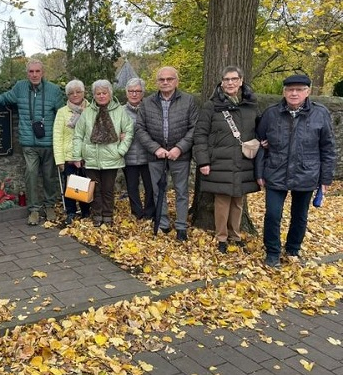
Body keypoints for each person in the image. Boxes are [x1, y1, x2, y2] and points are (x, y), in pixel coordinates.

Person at [255, 74, 336, 268]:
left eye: (299, 89)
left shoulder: (320, 114)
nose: (294, 93)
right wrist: (259, 172)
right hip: (276, 171)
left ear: (307, 92)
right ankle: (272, 252)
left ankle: (293, 249)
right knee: (273, 214)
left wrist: (325, 180)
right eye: (290, 89)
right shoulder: (271, 113)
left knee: (300, 215)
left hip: (306, 173)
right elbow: (258, 143)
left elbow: (328, 148)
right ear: (284, 92)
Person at [0, 59, 65, 225]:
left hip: (49, 143)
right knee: (31, 174)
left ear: (43, 72)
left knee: (49, 176)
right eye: (31, 71)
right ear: (27, 73)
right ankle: (33, 210)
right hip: (29, 143)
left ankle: (49, 206)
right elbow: (4, 98)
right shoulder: (20, 87)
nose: (34, 74)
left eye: (37, 71)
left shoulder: (54, 91)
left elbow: (62, 116)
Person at [193, 66, 260, 253]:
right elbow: (200, 135)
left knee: (238, 201)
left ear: (241, 80)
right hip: (219, 161)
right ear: (221, 82)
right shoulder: (211, 106)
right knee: (222, 201)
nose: (230, 83)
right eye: (226, 79)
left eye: (234, 79)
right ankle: (221, 237)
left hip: (243, 161)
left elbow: (259, 128)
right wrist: (203, 161)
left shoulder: (250, 105)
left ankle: (235, 234)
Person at [137, 66, 198, 241]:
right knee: (158, 191)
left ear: (176, 81)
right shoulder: (147, 102)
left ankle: (180, 226)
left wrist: (179, 148)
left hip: (180, 155)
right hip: (156, 155)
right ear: (157, 82)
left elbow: (194, 127)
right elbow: (140, 128)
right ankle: (162, 223)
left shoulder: (188, 101)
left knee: (181, 191)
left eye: (169, 79)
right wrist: (155, 148)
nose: (165, 82)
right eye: (161, 79)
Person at [73, 79, 133, 227]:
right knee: (95, 189)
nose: (101, 96)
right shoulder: (87, 113)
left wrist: (120, 151)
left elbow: (129, 131)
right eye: (98, 93)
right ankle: (97, 215)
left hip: (111, 158)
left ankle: (108, 214)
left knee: (108, 189)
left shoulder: (120, 112)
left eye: (104, 93)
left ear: (110, 94)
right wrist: (76, 156)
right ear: (93, 95)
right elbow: (78, 135)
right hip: (91, 158)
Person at [52, 79, 91, 225]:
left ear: (83, 92)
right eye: (71, 93)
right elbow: (57, 136)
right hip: (68, 156)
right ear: (67, 95)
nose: (75, 95)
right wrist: (59, 160)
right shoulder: (62, 112)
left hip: (87, 155)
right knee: (71, 186)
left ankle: (86, 211)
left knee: (86, 184)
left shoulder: (92, 109)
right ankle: (71, 212)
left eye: (78, 91)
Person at [122, 77, 155, 220]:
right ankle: (137, 213)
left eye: (137, 91)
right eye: (131, 91)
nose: (134, 94)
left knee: (150, 186)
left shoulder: (151, 110)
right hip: (129, 156)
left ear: (143, 93)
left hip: (148, 156)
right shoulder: (120, 111)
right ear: (126, 93)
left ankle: (149, 213)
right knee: (132, 186)